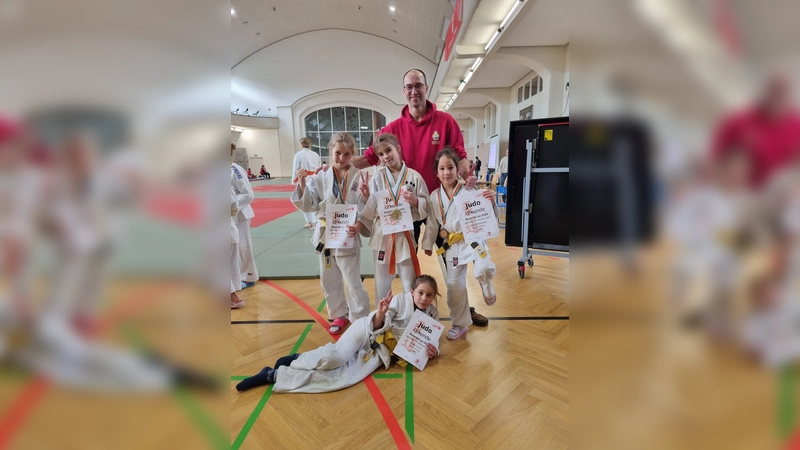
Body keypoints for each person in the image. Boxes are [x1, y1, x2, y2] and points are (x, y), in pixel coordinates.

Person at [348, 68, 488, 327]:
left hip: (439, 204)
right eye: (409, 87)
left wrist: (468, 176)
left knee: (452, 264)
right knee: (402, 267)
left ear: (426, 88)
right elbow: (368, 157)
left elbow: (459, 154)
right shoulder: (392, 128)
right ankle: (400, 316)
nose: (414, 91)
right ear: (404, 91)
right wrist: (340, 164)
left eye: (419, 85)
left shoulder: (445, 121)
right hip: (405, 210)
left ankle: (463, 312)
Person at [235, 275, 441, 393]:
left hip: (380, 351)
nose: (424, 298)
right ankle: (299, 358)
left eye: (429, 295)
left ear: (434, 297)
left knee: (342, 378)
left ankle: (273, 375)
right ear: (412, 291)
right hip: (366, 330)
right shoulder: (399, 301)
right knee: (336, 358)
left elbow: (432, 341)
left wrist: (433, 351)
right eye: (420, 292)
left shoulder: (433, 315)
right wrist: (380, 312)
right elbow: (379, 323)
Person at [291, 132, 371, 334]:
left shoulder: (360, 176)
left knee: (352, 279)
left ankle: (360, 317)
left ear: (352, 154)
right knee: (329, 278)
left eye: (347, 154)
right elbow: (309, 206)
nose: (342, 158)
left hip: (348, 235)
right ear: (330, 151)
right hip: (326, 235)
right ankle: (338, 314)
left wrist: (362, 212)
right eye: (338, 153)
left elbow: (367, 207)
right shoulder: (320, 176)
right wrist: (302, 184)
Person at [422, 148, 498, 340]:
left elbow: (487, 216)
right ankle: (460, 323)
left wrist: (492, 202)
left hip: (473, 240)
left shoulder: (469, 190)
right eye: (442, 168)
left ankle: (486, 284)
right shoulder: (434, 197)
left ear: (457, 170)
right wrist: (427, 243)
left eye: (450, 167)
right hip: (452, 245)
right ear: (437, 173)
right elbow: (432, 222)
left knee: (483, 268)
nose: (446, 172)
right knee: (454, 285)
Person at [355, 133, 430, 304]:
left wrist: (416, 200)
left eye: (388, 151)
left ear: (397, 149)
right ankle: (382, 316)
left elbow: (426, 204)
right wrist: (366, 196)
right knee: (382, 279)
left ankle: (408, 315)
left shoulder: (414, 176)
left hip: (405, 233)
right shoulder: (377, 178)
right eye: (380, 154)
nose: (386, 157)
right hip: (383, 234)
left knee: (407, 278)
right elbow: (371, 208)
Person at [711, 74, 800, 187]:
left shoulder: (797, 127)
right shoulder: (739, 120)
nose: (778, 96)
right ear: (765, 90)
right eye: (774, 90)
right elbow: (714, 156)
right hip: (736, 187)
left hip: (774, 190)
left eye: (783, 92)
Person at [231, 143, 259, 290]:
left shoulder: (235, 170)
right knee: (230, 248)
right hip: (227, 216)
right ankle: (233, 277)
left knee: (243, 246)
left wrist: (230, 204)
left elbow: (248, 194)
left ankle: (249, 276)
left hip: (239, 215)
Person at [293, 137, 323, 228]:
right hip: (315, 177)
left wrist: (295, 180)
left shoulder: (299, 154)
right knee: (315, 199)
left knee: (305, 200)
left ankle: (309, 222)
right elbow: (319, 167)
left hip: (304, 178)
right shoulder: (315, 154)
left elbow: (296, 168)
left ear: (301, 144)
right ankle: (315, 222)